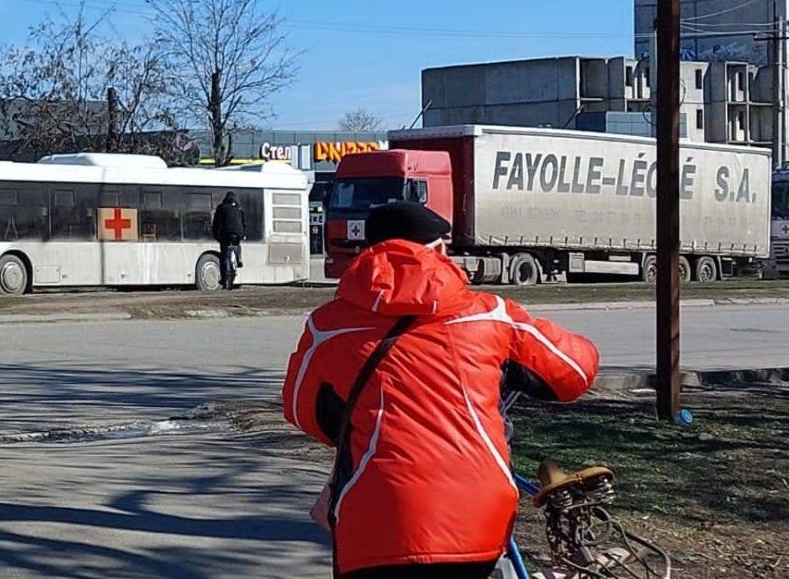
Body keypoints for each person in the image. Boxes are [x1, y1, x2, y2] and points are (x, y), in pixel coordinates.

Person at [281, 201, 599, 579]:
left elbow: (301, 411)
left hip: (375, 525)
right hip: (476, 520)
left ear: (366, 252)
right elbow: (575, 371)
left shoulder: (327, 327)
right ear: (439, 251)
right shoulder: (490, 315)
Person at [211, 191, 246, 289]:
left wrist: (215, 235)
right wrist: (243, 234)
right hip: (238, 232)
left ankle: (223, 279)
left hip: (225, 234)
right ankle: (239, 259)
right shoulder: (239, 208)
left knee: (223, 256)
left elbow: (216, 223)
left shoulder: (221, 207)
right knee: (237, 244)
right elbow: (244, 223)